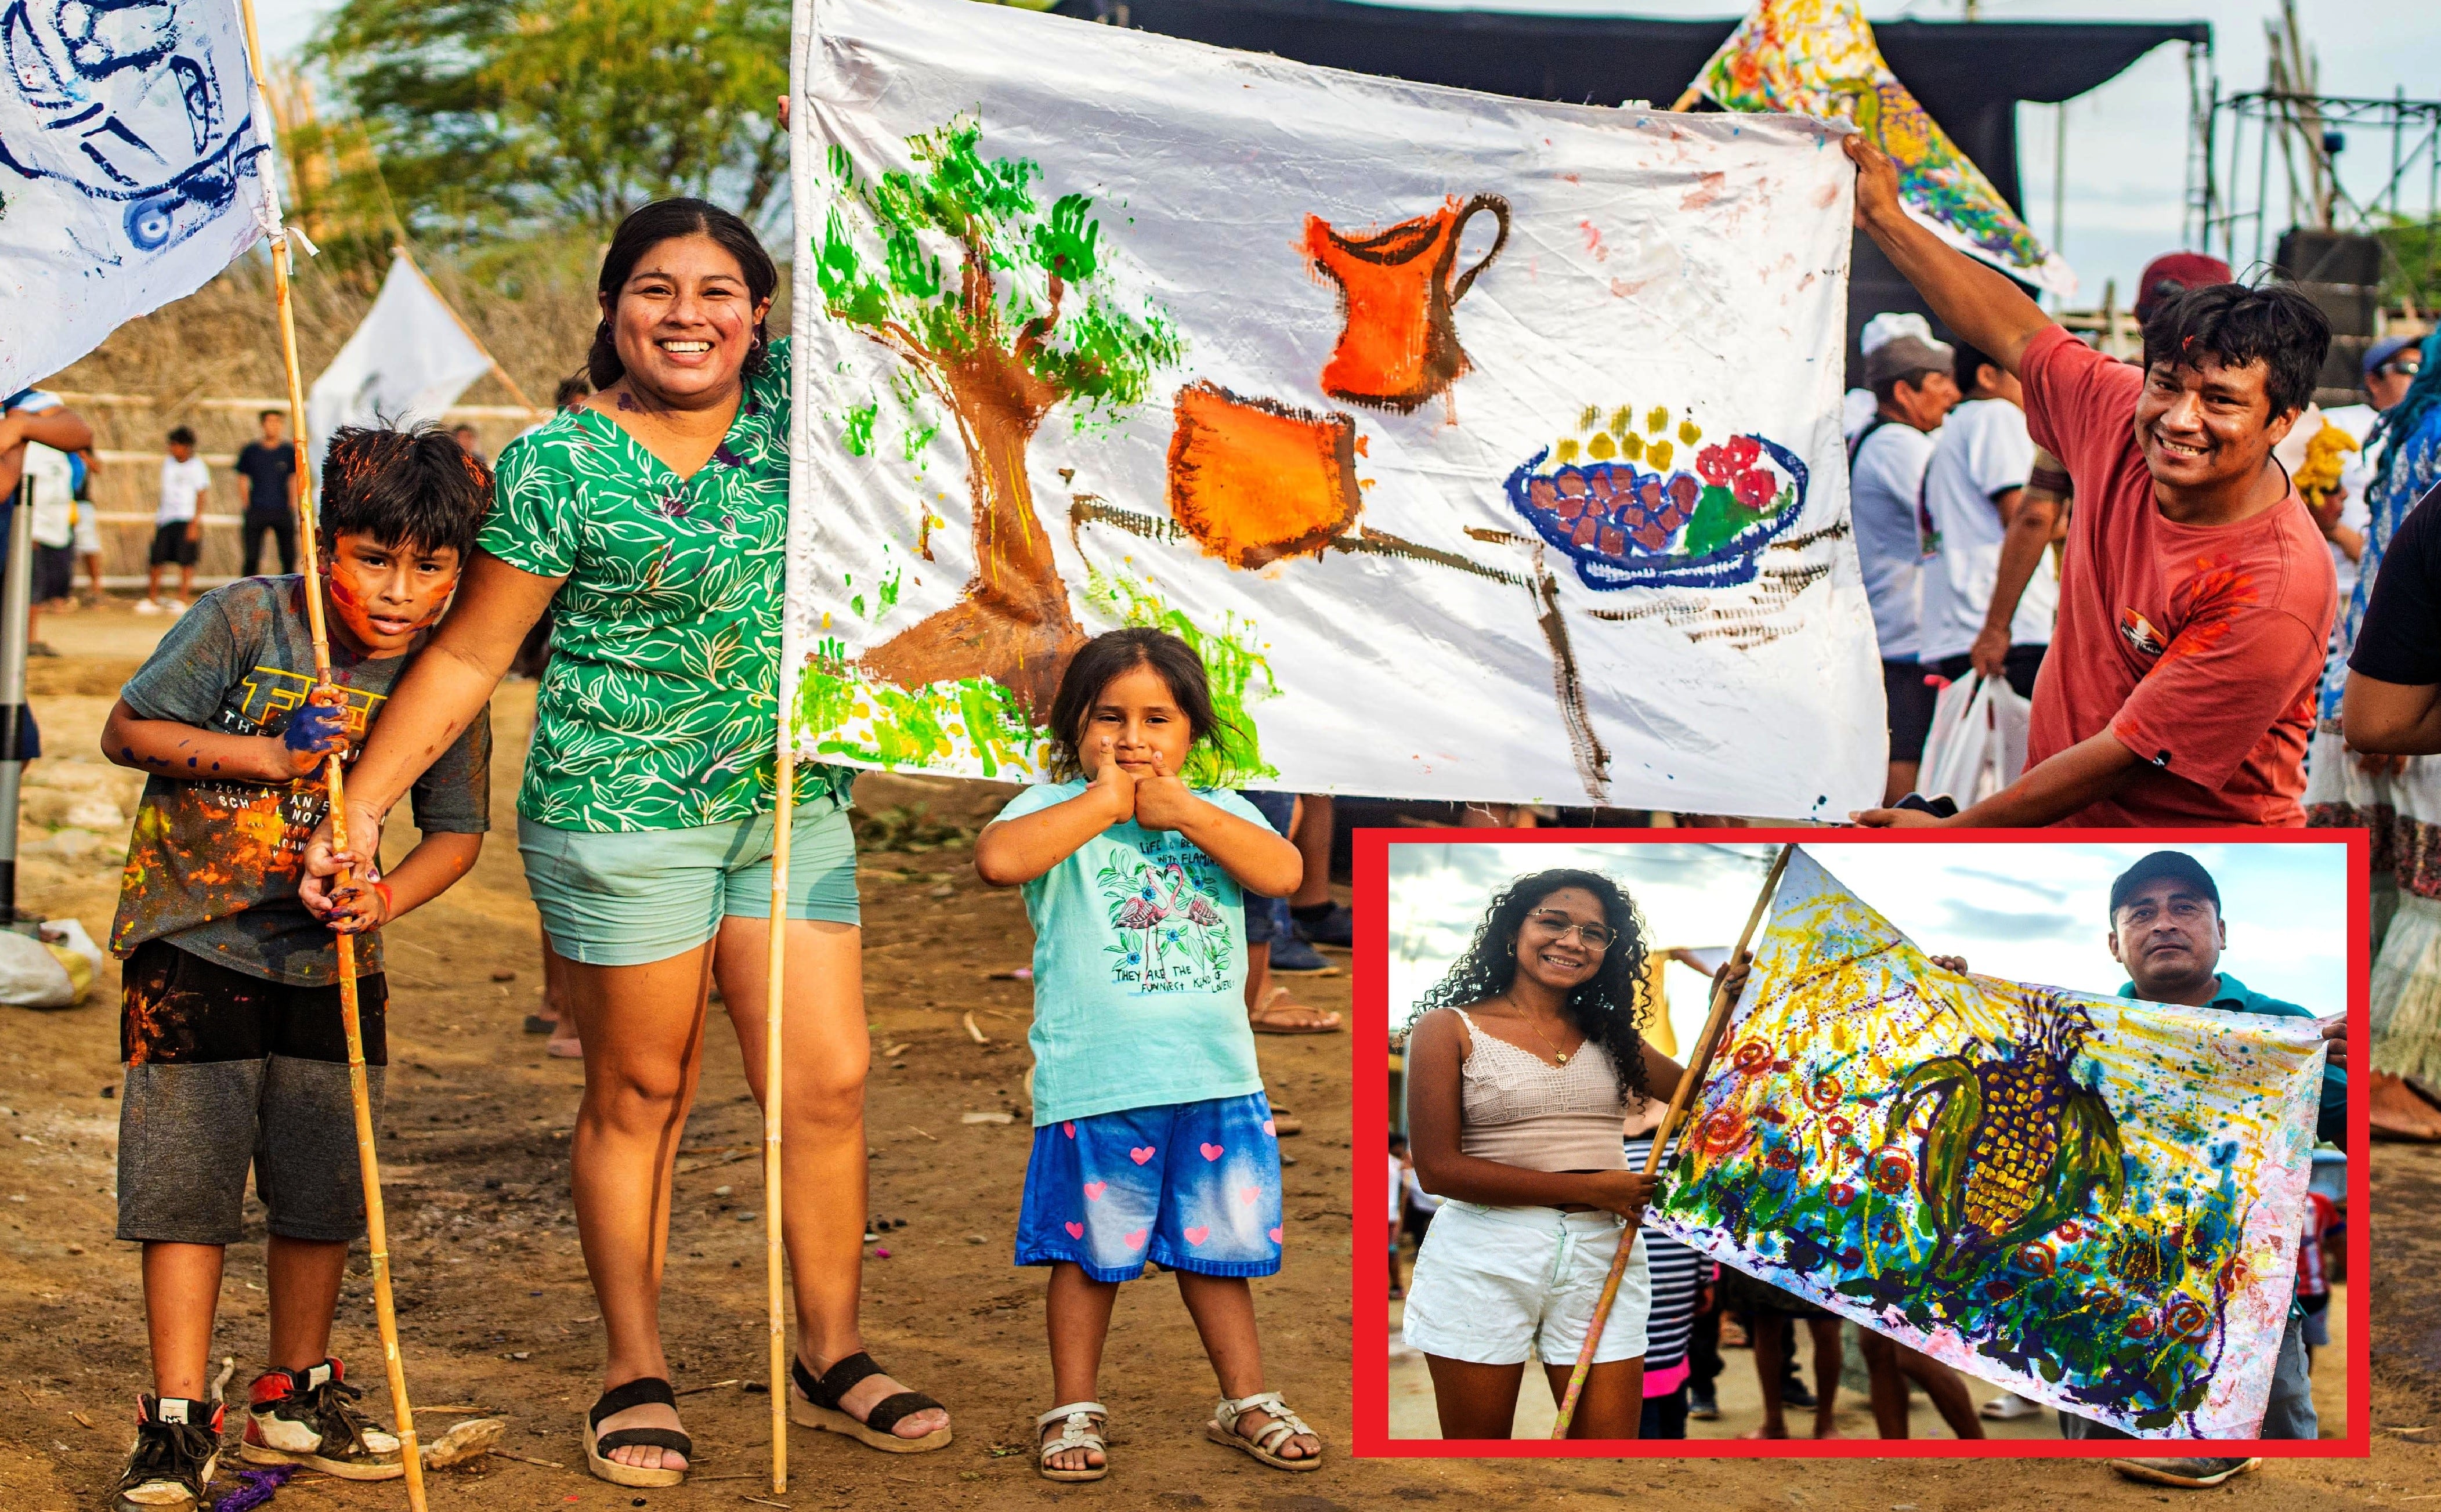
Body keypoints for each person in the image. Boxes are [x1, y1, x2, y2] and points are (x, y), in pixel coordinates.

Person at [298, 198, 949, 1486]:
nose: (686, 315)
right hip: (618, 813)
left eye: (717, 292)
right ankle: (632, 1368)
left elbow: (918, 312)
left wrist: (862, 136)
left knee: (826, 1083)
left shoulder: (813, 425)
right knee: (645, 1091)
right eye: (656, 289)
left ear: (760, 314)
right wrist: (361, 805)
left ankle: (831, 1350)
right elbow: (473, 654)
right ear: (612, 309)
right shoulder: (557, 463)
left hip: (790, 803)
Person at [100, 424, 493, 1512]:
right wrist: (272, 755)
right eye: (373, 559)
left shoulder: (446, 674)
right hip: (191, 943)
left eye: (431, 566)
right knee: (186, 1189)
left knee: (322, 1189)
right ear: (326, 546)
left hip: (335, 969)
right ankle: (177, 1419)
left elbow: (456, 835)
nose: (401, 592)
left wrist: (384, 900)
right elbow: (128, 730)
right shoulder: (245, 618)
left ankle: (295, 1395)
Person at [1842, 133, 2337, 829]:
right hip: (2062, 833)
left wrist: (1955, 832)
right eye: (2166, 384)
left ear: (2280, 420)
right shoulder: (2116, 412)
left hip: (2207, 846)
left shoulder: (2274, 587)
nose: (2180, 419)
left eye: (2221, 401)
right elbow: (2016, 332)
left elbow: (2124, 753)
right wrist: (1885, 219)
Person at [972, 627, 1322, 1481]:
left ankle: (1245, 1398)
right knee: (1086, 1255)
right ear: (1075, 726)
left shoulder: (1221, 809)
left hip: (1214, 1079)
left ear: (1192, 731)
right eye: (1109, 717)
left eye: (1157, 719)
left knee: (1218, 1252)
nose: (1132, 739)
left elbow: (1281, 874)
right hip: (1097, 1082)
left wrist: (1189, 811)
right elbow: (998, 860)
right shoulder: (1049, 806)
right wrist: (1102, 804)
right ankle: (1073, 1405)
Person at [1918, 851, 2345, 1488]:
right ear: (2114, 945)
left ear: (2221, 931)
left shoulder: (2282, 1028)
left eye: (2185, 908)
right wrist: (1943, 1001)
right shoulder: (2081, 1036)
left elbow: (2355, 1126)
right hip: (2095, 1304)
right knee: (2102, 1474)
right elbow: (1994, 1103)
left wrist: (2350, 1069)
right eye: (2141, 913)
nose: (2164, 922)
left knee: (2279, 1473)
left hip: (2242, 1312)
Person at [1400, 869, 1677, 1440]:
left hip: (1603, 1252)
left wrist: (1733, 1001)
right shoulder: (1447, 1028)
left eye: (1593, 933)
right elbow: (1437, 1170)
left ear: (1607, 951)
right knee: (1479, 1464)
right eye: (1553, 922)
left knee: (1608, 1461)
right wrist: (1589, 1188)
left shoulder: (1613, 1035)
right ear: (1512, 931)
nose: (1572, 941)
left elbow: (1710, 1093)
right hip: (1485, 1252)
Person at [2330, 336, 2441, 1138]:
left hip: (2376, 674)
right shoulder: (2432, 435)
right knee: (2421, 893)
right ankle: (2387, 1079)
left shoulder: (2407, 432)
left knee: (2399, 886)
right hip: (2405, 688)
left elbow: (2385, 561)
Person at [1849, 320, 1958, 804]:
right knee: (1903, 761)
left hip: (1897, 632)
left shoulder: (1879, 438)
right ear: (1902, 391)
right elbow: (1948, 511)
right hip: (1903, 638)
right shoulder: (1897, 445)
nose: (1952, 394)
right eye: (1939, 382)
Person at [1921, 340, 2049, 700]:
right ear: (1988, 376)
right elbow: (2028, 517)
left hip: (1964, 626)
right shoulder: (1996, 415)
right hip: (2005, 627)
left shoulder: (1954, 427)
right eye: (2024, 375)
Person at [1622, 1123, 1701, 1439]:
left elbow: (1701, 1224)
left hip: (1663, 1294)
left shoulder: (1681, 1151)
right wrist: (1706, 1279)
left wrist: (1705, 1279)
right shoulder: (1683, 1155)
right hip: (1655, 1288)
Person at [144, 425, 210, 613]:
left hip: (186, 517)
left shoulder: (197, 467)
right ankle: (152, 599)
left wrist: (195, 523)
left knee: (186, 560)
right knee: (157, 558)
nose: (172, 449)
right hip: (166, 518)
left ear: (186, 446)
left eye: (175, 445)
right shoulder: (168, 464)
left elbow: (201, 495)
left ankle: (182, 598)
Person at [234, 409, 302, 577]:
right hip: (257, 508)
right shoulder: (251, 451)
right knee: (252, 557)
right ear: (263, 425)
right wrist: (247, 505)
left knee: (288, 557)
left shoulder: (288, 452)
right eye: (270, 422)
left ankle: (289, 589)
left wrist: (292, 505)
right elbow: (243, 478)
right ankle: (248, 588)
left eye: (277, 422)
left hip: (282, 509)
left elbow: (293, 479)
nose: (274, 426)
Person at [1388, 1134, 1411, 1299]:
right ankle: (1397, 1287)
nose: (1402, 1150)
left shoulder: (1396, 1164)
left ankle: (1397, 1287)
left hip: (1390, 1215)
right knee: (1392, 1252)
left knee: (1391, 1252)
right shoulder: (1397, 1164)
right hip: (1392, 1215)